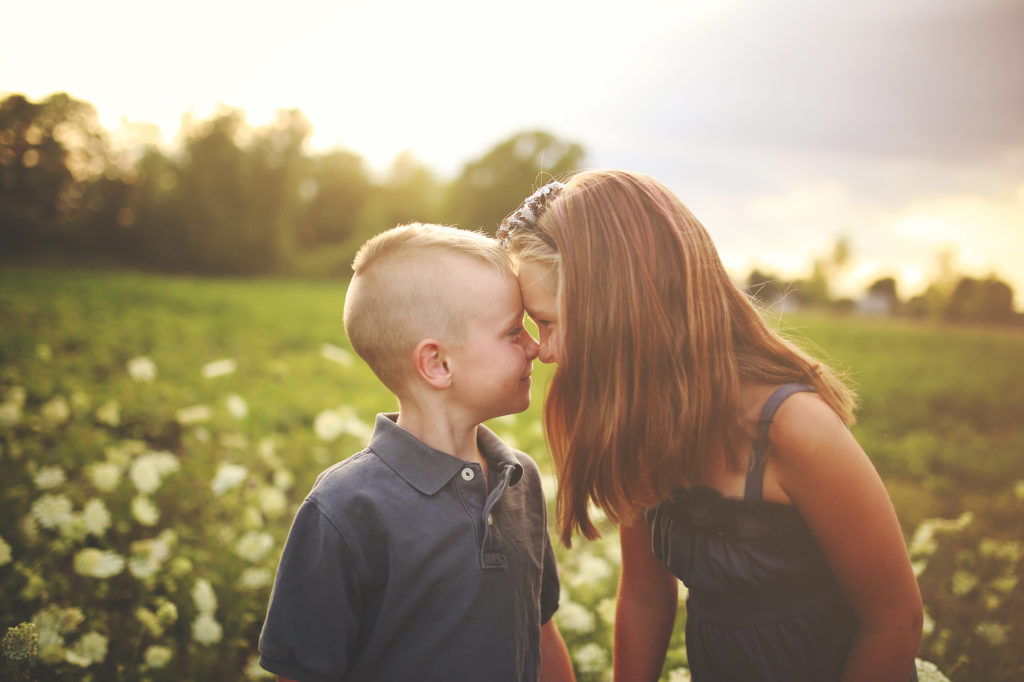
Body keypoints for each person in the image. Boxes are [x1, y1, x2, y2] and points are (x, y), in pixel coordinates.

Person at [499, 171, 923, 682]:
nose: (543, 350)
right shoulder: (636, 423)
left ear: (622, 308)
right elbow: (645, 598)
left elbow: (894, 621)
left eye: (548, 322)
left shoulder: (794, 428)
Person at [258, 223, 575, 682]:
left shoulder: (517, 479)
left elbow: (542, 634)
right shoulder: (345, 508)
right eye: (512, 331)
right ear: (437, 364)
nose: (535, 346)